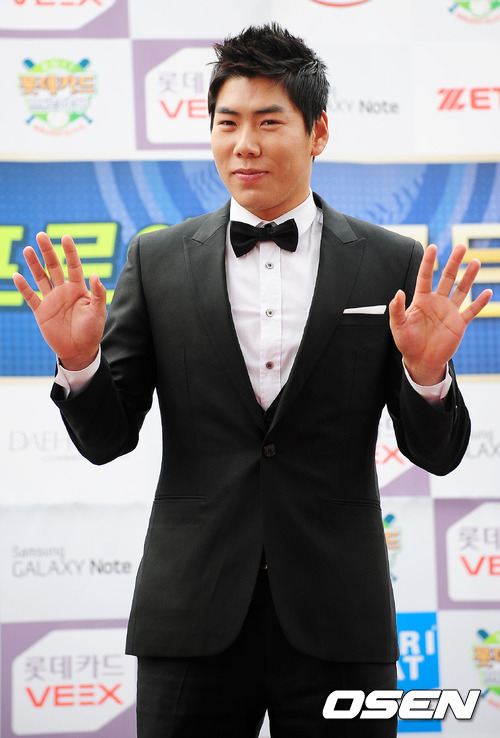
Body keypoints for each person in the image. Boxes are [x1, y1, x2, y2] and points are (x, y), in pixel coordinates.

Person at [13, 23, 491, 738]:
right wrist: (80, 363)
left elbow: (438, 453)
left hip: (339, 617)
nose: (244, 144)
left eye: (269, 122)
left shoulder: (391, 262)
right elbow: (108, 439)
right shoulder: (157, 261)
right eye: (227, 122)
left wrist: (427, 376)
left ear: (317, 132)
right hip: (191, 613)